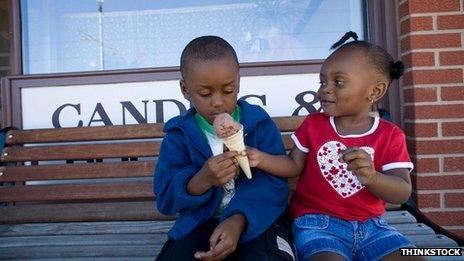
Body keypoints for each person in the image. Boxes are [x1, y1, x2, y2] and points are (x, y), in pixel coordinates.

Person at [245, 31, 424, 261]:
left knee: (419, 256)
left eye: (338, 82)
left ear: (375, 91)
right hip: (317, 225)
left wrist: (372, 177)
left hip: (375, 228)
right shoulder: (314, 125)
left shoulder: (389, 135)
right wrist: (260, 158)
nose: (325, 89)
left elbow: (401, 191)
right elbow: (292, 166)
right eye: (322, 81)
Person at [154, 35, 295, 261]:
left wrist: (238, 219)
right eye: (205, 93)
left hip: (257, 219)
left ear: (238, 83)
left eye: (228, 90)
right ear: (185, 89)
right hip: (200, 222)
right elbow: (166, 198)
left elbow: (274, 183)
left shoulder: (258, 123)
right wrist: (202, 179)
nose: (218, 102)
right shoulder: (178, 136)